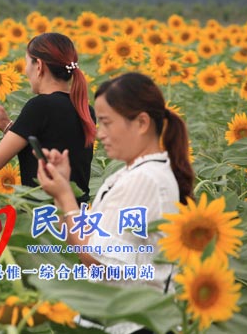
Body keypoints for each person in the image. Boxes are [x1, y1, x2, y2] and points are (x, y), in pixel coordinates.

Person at [37, 72, 194, 334]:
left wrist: (65, 197)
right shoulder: (136, 174)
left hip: (131, 324)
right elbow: (93, 244)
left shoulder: (144, 179)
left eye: (107, 123)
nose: (100, 134)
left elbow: (96, 259)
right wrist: (63, 190)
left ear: (142, 122)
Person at [0, 32, 96, 203]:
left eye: (27, 63)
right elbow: (44, 143)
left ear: (39, 66)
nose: (26, 71)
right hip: (75, 213)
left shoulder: (40, 106)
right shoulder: (85, 109)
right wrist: (6, 125)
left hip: (43, 215)